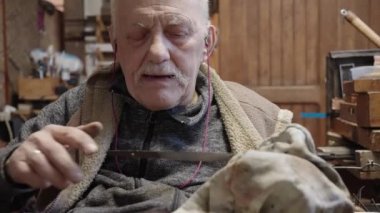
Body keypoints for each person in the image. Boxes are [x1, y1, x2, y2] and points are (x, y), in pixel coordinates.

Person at [0, 0, 353, 212]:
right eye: (137, 34)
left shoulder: (261, 124)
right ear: (115, 44)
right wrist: (12, 173)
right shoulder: (78, 108)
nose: (156, 53)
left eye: (177, 32)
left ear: (207, 44)